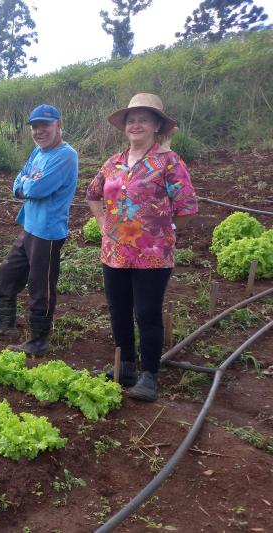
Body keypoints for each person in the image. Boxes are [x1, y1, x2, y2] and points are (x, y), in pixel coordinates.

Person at [86, 93, 198, 402]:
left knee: (147, 313)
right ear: (124, 126)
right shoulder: (114, 162)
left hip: (152, 255)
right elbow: (92, 194)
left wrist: (166, 231)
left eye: (143, 119)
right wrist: (102, 223)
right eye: (131, 119)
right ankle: (125, 368)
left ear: (157, 125)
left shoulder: (168, 162)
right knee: (118, 310)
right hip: (114, 253)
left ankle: (149, 375)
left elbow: (187, 206)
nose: (136, 124)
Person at [0, 104, 79, 356]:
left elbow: (37, 189)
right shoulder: (38, 152)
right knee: (7, 274)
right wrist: (26, 184)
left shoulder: (65, 155)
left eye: (45, 125)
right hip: (29, 226)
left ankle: (38, 340)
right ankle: (5, 325)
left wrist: (27, 185)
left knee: (40, 286)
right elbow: (18, 182)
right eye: (35, 127)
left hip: (47, 232)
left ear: (58, 124)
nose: (39, 131)